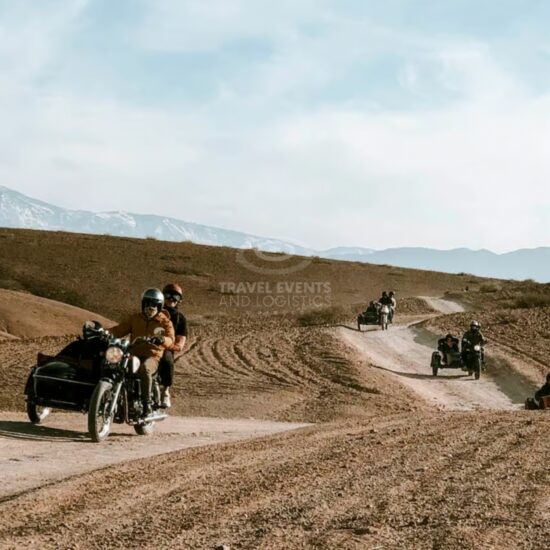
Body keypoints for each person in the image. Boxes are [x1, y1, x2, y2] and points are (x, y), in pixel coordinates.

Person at [110, 288, 175, 415]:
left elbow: (171, 340)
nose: (149, 308)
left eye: (153, 305)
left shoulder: (165, 322)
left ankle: (147, 403)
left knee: (145, 369)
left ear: (159, 306)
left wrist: (161, 339)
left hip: (152, 357)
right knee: (114, 365)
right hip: (133, 354)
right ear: (143, 304)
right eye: (147, 304)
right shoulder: (135, 318)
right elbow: (119, 330)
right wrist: (105, 333)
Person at [157, 283, 188, 408]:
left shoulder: (180, 319)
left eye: (175, 296)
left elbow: (181, 338)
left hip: (166, 347)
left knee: (167, 360)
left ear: (180, 300)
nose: (171, 299)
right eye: (168, 295)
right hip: (147, 344)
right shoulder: (154, 311)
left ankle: (165, 390)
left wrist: (177, 345)